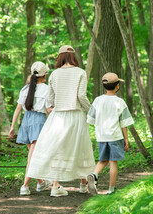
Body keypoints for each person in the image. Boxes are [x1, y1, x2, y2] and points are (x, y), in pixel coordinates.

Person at [27, 45, 95, 197]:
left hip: (58, 116)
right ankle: (83, 184)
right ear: (73, 57)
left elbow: (50, 99)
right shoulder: (80, 72)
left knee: (58, 149)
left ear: (60, 57)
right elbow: (82, 96)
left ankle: (55, 186)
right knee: (80, 147)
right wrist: (91, 110)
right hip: (76, 114)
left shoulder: (54, 74)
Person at [8, 61, 52, 196]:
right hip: (38, 121)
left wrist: (12, 126)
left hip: (26, 121)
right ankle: (25, 186)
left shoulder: (25, 89)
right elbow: (50, 109)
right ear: (45, 74)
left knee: (33, 156)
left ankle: (40, 183)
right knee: (32, 157)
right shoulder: (47, 89)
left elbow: (18, 109)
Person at [86, 72, 134, 195]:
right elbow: (124, 123)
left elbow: (90, 119)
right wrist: (126, 139)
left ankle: (94, 174)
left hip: (101, 136)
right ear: (117, 85)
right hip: (115, 136)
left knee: (103, 160)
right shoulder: (120, 102)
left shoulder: (97, 100)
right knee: (113, 162)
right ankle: (111, 189)